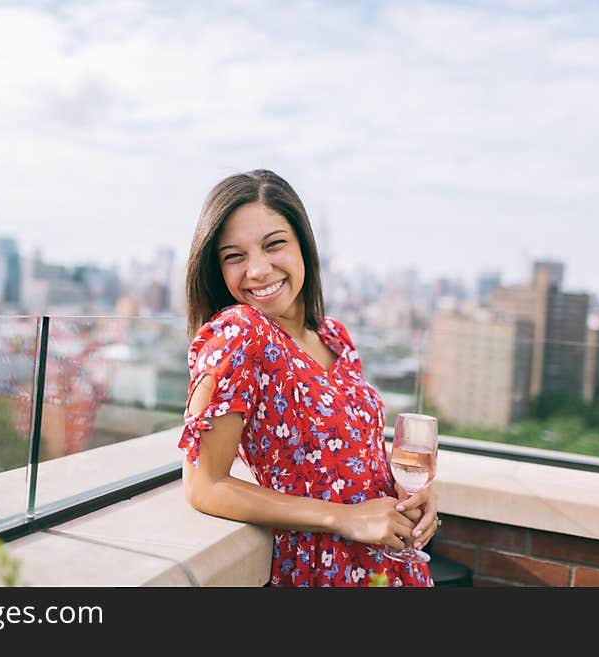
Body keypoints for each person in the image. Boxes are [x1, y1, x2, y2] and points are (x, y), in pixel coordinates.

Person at [179, 169, 439, 587]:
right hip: (324, 568)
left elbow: (352, 457)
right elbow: (204, 485)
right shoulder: (239, 334)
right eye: (235, 256)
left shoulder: (335, 337)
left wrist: (410, 497)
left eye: (274, 245)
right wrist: (344, 518)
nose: (259, 270)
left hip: (392, 567)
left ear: (303, 245)